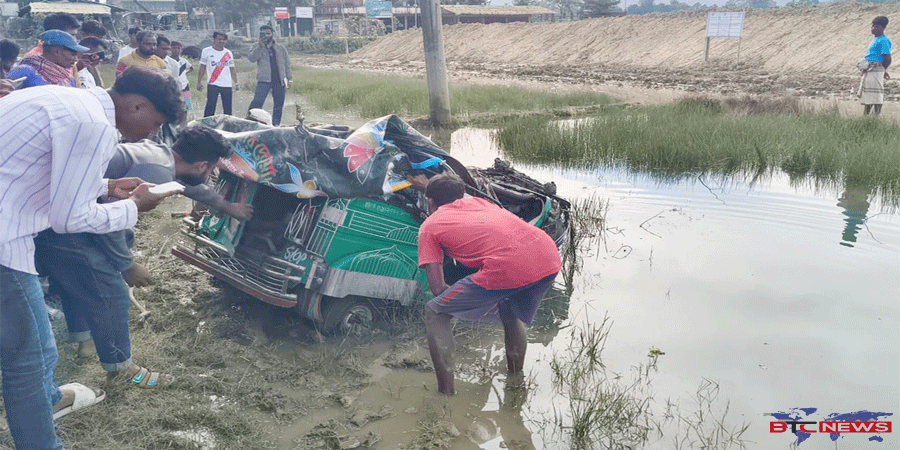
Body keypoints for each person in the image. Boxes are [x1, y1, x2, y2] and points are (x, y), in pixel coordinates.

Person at [0, 65, 183, 450]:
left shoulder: (66, 99)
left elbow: (43, 172)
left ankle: (49, 399)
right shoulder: (94, 126)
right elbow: (71, 219)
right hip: (5, 240)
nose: (153, 133)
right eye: (155, 123)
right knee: (29, 358)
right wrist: (136, 207)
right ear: (136, 105)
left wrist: (107, 185)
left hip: (12, 221)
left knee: (36, 346)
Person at [35, 126, 250, 390]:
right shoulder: (156, 172)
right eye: (212, 170)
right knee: (111, 290)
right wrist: (127, 265)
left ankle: (85, 340)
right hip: (65, 225)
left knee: (74, 277)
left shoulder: (160, 156)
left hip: (51, 215)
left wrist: (228, 206)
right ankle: (122, 369)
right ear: (202, 165)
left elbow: (186, 188)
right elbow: (110, 221)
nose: (210, 175)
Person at [417, 174, 561, 395]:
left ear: (429, 201)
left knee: (435, 310)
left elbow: (438, 288)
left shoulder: (430, 226)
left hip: (509, 265)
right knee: (510, 310)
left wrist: (463, 304)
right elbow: (451, 196)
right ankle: (515, 381)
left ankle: (446, 394)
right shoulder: (479, 201)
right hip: (547, 254)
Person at [8, 30, 86, 89]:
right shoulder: (23, 72)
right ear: (57, 52)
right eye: (73, 54)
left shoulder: (70, 79)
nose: (75, 59)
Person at [247, 25, 292, 126]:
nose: (266, 36)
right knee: (257, 102)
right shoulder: (256, 46)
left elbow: (287, 63)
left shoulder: (280, 48)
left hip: (279, 80)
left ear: (272, 34)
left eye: (268, 33)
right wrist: (260, 46)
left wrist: (290, 78)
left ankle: (276, 125)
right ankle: (250, 122)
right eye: (264, 34)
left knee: (278, 105)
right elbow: (251, 59)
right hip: (264, 80)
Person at [197, 31, 239, 117]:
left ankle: (228, 126)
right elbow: (202, 67)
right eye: (219, 39)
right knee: (210, 107)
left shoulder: (228, 53)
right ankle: (206, 125)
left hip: (227, 84)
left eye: (223, 40)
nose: (221, 41)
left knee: (228, 109)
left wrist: (236, 82)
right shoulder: (206, 51)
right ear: (214, 39)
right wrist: (199, 81)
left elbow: (232, 69)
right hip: (213, 83)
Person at [859, 16, 892, 115]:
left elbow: (888, 59)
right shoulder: (875, 39)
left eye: (877, 26)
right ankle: (866, 116)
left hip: (876, 70)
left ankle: (875, 117)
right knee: (869, 95)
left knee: (877, 96)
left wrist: (882, 69)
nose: (873, 28)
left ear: (883, 28)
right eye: (873, 26)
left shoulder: (883, 40)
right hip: (870, 70)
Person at [170, 41, 193, 112]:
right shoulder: (168, 60)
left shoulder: (184, 61)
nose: (176, 50)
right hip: (173, 84)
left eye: (178, 48)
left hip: (185, 84)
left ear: (181, 50)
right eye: (174, 48)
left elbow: (191, 68)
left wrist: (184, 73)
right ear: (170, 49)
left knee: (187, 104)